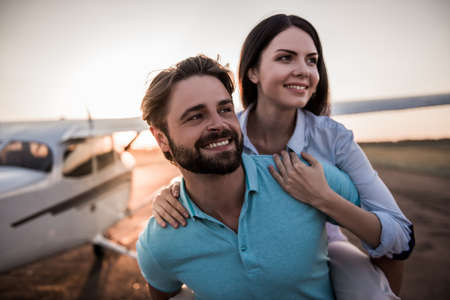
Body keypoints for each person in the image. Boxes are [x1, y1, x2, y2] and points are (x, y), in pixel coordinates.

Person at [150, 14, 414, 299]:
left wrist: (322, 198)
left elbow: (400, 238)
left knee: (369, 290)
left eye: (311, 60)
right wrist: (168, 191)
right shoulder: (225, 129)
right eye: (286, 58)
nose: (304, 70)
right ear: (253, 72)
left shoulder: (334, 138)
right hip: (242, 251)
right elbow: (196, 171)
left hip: (324, 247)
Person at [138, 55, 363, 300]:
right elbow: (163, 294)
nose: (219, 124)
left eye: (225, 109)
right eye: (196, 116)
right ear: (161, 138)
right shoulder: (159, 241)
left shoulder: (303, 177)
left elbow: (388, 241)